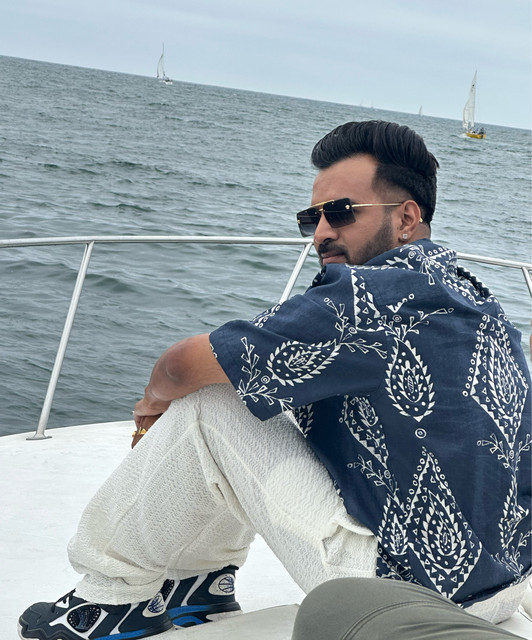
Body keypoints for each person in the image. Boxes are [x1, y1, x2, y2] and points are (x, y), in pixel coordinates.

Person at [19, 120, 531, 640]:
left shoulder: (373, 297)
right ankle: (200, 586)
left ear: (405, 217)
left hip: (404, 596)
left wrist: (151, 405)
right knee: (254, 390)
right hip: (503, 584)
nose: (322, 232)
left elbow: (180, 365)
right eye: (312, 217)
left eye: (341, 212)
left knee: (213, 400)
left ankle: (110, 597)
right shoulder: (477, 299)